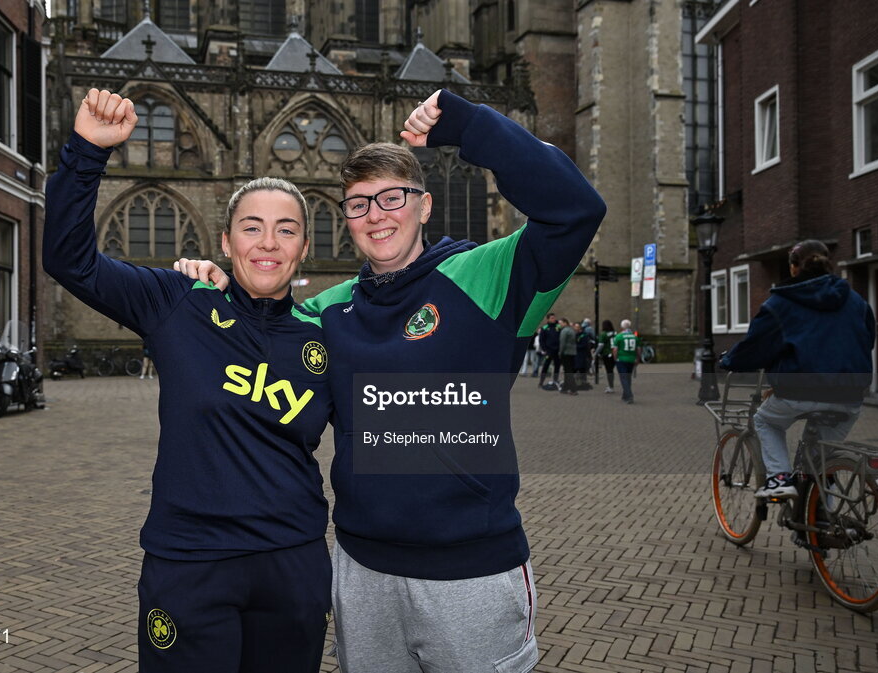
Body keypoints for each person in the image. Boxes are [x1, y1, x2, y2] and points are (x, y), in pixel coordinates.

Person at [178, 88, 606, 672]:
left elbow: (576, 208)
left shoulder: (485, 274)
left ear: (424, 206)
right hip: (363, 573)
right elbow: (258, 325)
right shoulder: (326, 309)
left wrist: (468, 124)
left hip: (472, 573)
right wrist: (214, 282)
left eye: (392, 197)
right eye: (358, 205)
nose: (376, 215)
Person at [43, 89, 333, 673]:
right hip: (190, 562)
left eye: (286, 231)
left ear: (304, 248)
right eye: (252, 228)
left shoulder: (330, 333)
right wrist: (86, 154)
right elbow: (69, 260)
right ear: (225, 242)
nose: (268, 244)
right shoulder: (175, 301)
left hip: (293, 561)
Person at [720, 240, 875, 498]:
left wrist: (729, 361)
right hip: (849, 395)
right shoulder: (856, 301)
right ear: (829, 265)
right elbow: (867, 339)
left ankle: (779, 479)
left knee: (765, 421)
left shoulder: (781, 303)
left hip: (798, 391)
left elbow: (756, 346)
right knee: (820, 462)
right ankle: (824, 520)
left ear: (793, 268)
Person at [612, 319, 639, 403]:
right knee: (628, 377)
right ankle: (625, 395)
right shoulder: (634, 337)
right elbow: (638, 349)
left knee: (623, 378)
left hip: (622, 359)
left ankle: (629, 395)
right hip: (631, 359)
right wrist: (638, 358)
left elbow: (615, 349)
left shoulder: (618, 336)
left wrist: (615, 358)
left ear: (621, 327)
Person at [537, 313, 562, 390]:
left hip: (557, 350)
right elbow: (541, 340)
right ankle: (541, 382)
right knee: (545, 366)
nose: (553, 319)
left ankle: (555, 380)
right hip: (549, 350)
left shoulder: (558, 327)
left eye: (554, 318)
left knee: (557, 366)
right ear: (548, 319)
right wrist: (544, 349)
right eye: (551, 318)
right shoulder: (544, 328)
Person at [557, 318, 578, 395]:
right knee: (568, 371)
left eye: (561, 323)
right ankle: (565, 388)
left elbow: (562, 343)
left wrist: (560, 352)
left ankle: (573, 389)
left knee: (568, 371)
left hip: (566, 353)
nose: (560, 325)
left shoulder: (564, 331)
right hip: (572, 353)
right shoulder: (572, 330)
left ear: (565, 323)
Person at [595, 319, 617, 393]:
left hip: (607, 353)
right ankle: (611, 385)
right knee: (611, 370)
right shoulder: (615, 333)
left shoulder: (603, 334)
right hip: (615, 353)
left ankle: (611, 386)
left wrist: (595, 353)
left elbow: (601, 345)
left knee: (609, 371)